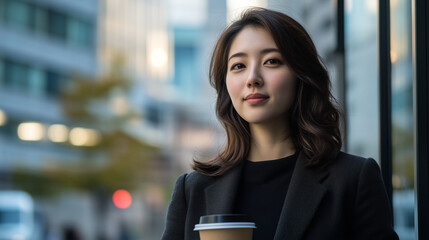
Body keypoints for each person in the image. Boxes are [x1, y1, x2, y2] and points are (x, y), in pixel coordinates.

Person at [161, 7, 399, 240]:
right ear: (226, 85)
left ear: (301, 75)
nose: (253, 78)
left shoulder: (353, 180)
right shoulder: (192, 189)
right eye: (239, 66)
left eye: (272, 61)